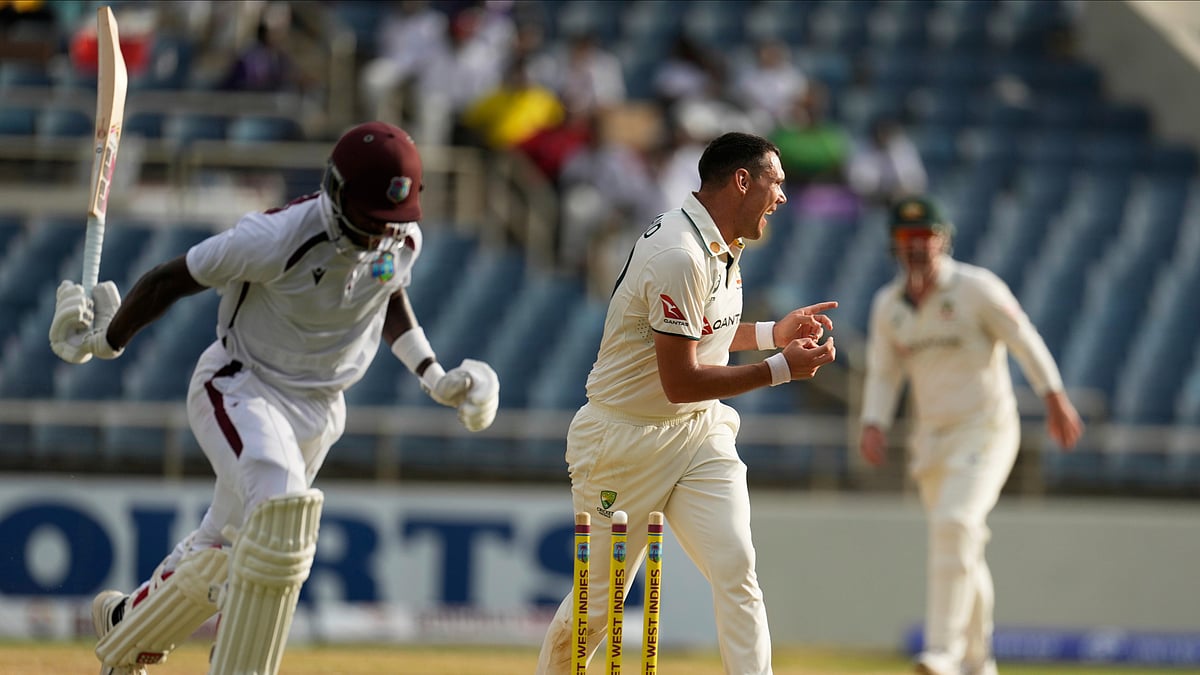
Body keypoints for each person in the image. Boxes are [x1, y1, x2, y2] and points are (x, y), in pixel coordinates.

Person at [48, 121, 500, 675]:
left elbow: (387, 295)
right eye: (368, 223)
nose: (379, 238)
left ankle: (124, 627)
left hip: (321, 409)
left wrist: (432, 373)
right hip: (243, 384)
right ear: (335, 193)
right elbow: (169, 279)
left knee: (223, 543)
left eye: (391, 225)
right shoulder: (271, 238)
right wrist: (105, 341)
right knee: (280, 523)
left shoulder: (399, 238)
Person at [535, 131, 838, 674]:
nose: (784, 197)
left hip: (699, 432)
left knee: (736, 566)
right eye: (778, 182)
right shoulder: (679, 252)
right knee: (596, 608)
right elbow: (681, 379)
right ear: (742, 181)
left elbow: (708, 333)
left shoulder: (720, 242)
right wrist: (781, 369)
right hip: (623, 440)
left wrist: (775, 332)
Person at [857, 197, 1084, 675]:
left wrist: (1054, 396)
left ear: (943, 238)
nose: (917, 248)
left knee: (956, 525)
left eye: (925, 238)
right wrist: (874, 422)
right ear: (894, 246)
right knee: (960, 542)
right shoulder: (887, 306)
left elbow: (1024, 339)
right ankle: (980, 662)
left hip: (987, 430)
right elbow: (883, 372)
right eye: (906, 239)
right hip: (931, 439)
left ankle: (944, 650)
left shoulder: (977, 288)